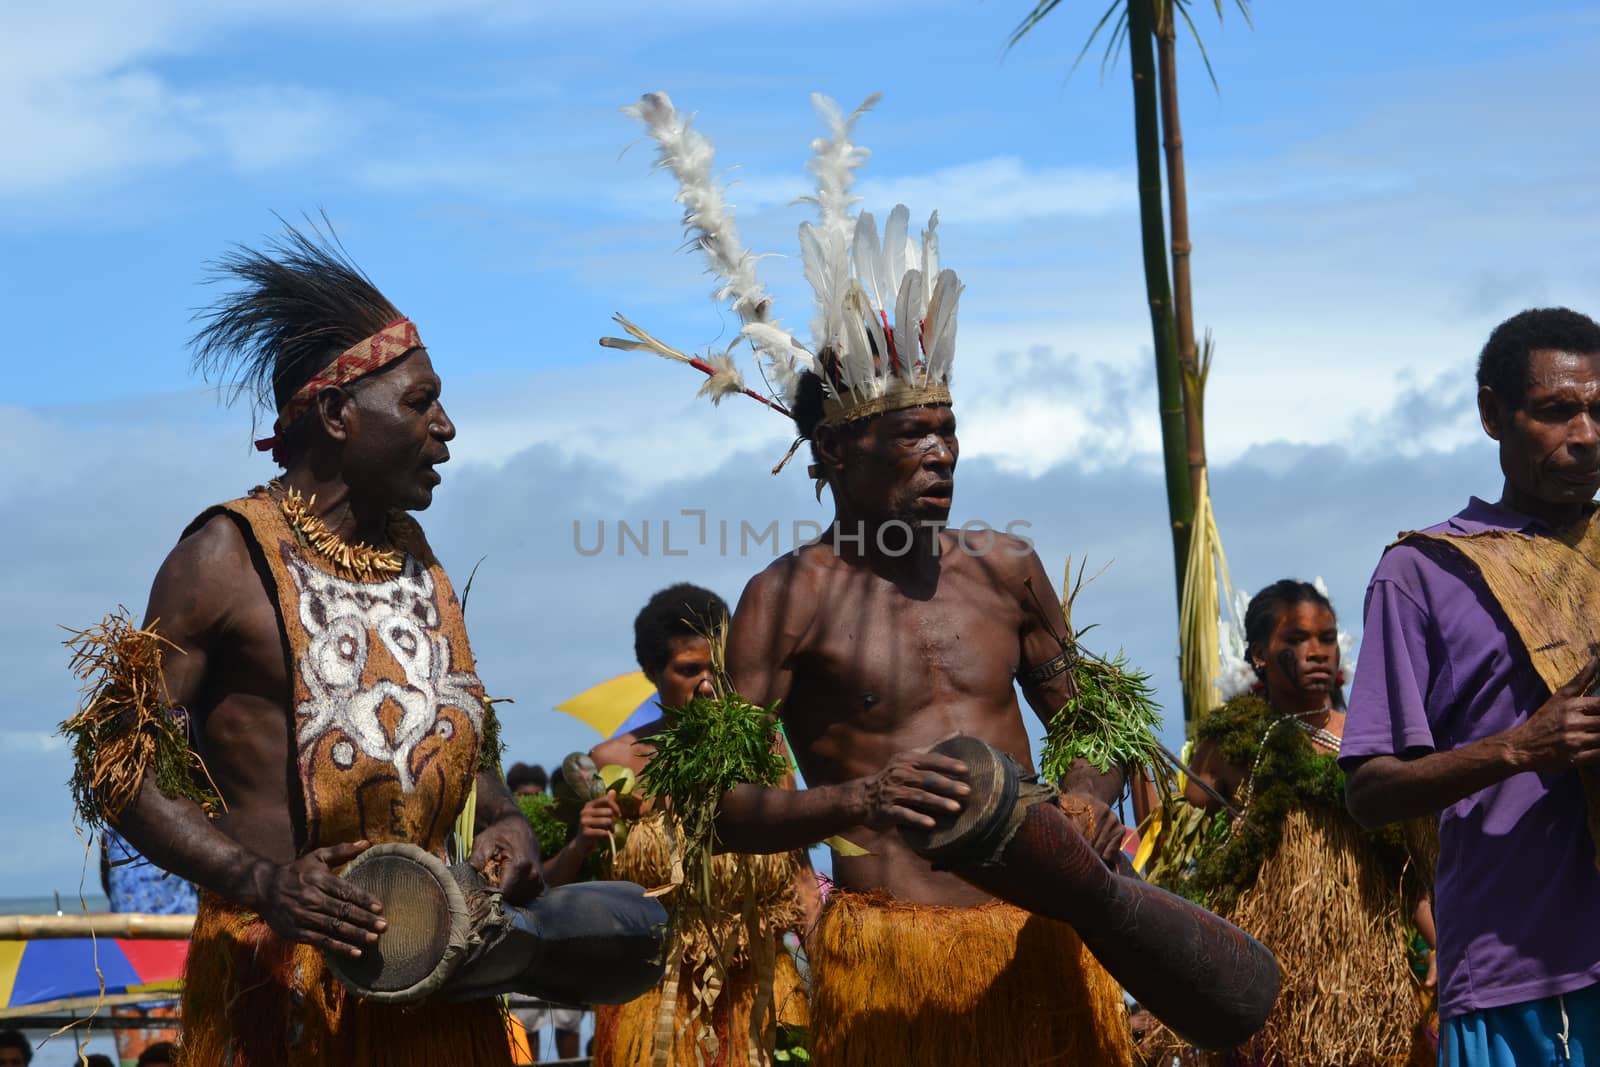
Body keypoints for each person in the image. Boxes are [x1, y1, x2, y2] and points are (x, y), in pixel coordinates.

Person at [59, 223, 536, 1066]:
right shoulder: (222, 557)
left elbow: (455, 743)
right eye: (421, 403)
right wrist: (260, 883)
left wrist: (503, 818)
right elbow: (117, 766)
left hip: (433, 984)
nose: (449, 427)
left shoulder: (420, 566)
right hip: (277, 990)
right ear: (337, 413)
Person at [1342, 307, 1600, 1066]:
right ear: (1494, 413)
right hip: (1518, 976)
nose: (1585, 434)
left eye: (1599, 411)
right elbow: (1369, 790)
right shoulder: (1424, 572)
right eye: (1557, 411)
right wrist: (1523, 745)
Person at [1146, 580, 1431, 1065]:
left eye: (1327, 638)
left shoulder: (1368, 739)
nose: (1317, 652)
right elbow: (1175, 852)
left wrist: (1441, 943)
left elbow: (1410, 860)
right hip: (1264, 972)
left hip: (1365, 973)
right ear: (1259, 653)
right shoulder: (1232, 745)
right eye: (1296, 640)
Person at [543, 583, 812, 1066]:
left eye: (718, 670)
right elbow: (552, 893)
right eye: (689, 671)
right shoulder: (610, 762)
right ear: (652, 673)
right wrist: (583, 843)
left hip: (763, 995)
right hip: (650, 1006)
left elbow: (801, 876)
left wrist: (829, 978)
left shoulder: (763, 749)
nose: (708, 685)